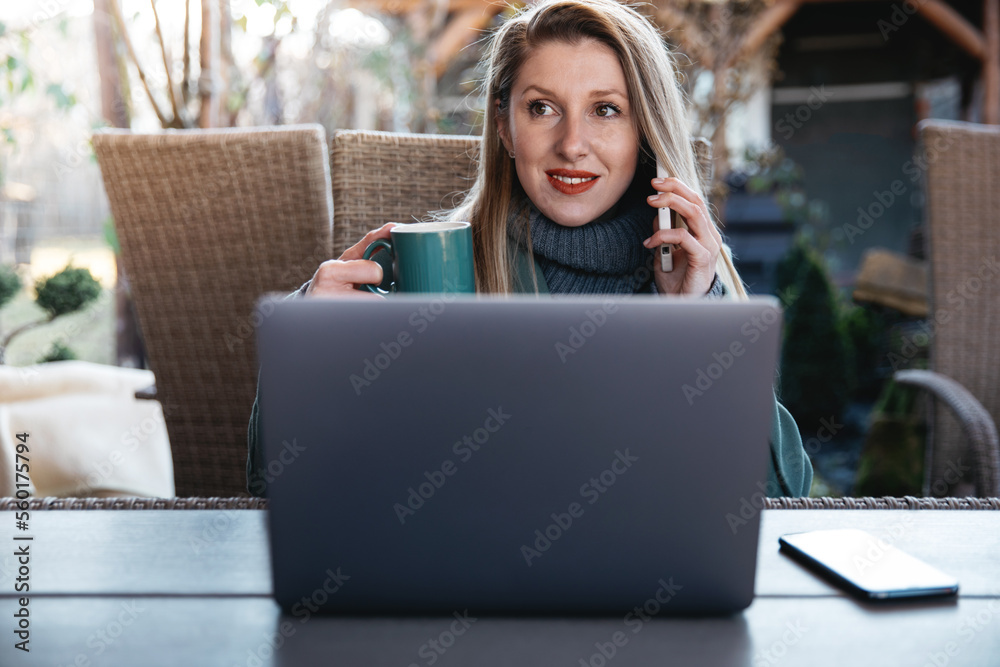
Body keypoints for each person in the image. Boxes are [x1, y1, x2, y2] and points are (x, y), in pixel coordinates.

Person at [247, 0, 812, 497]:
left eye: (606, 109)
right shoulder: (423, 270)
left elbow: (781, 494)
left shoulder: (689, 279)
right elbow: (272, 482)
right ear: (504, 128)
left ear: (646, 131)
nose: (572, 144)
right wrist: (307, 350)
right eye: (541, 107)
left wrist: (698, 320)